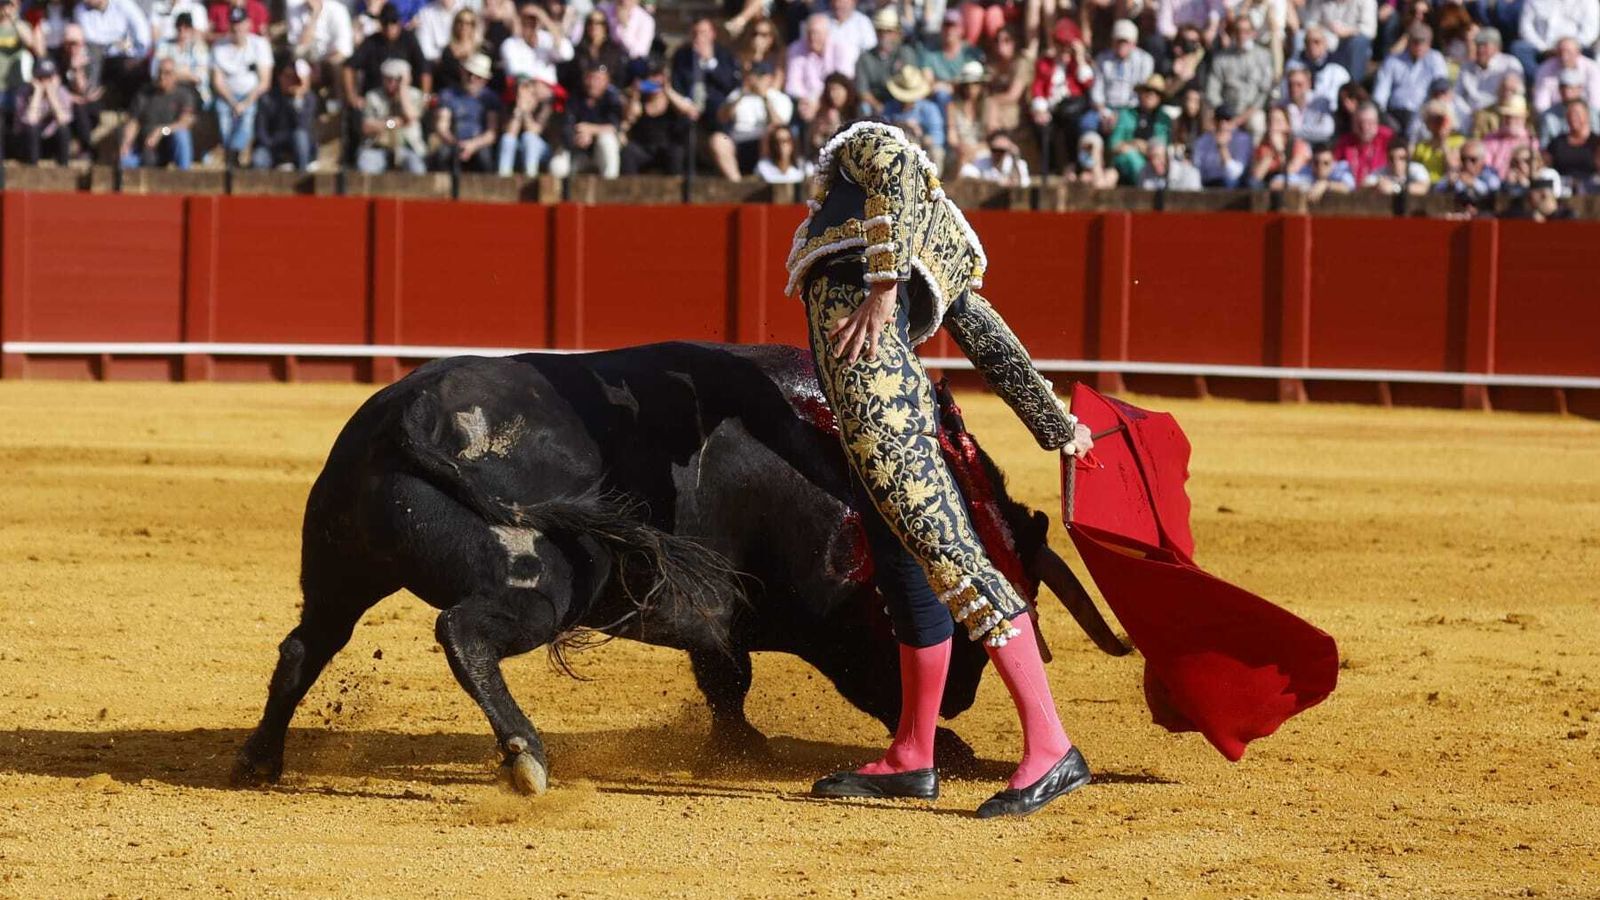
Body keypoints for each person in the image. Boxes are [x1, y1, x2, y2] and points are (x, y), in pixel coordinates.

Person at [789, 121, 1096, 817]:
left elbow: (893, 167)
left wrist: (885, 288)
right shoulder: (938, 229)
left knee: (957, 563)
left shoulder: (866, 149)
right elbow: (982, 330)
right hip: (873, 419)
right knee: (906, 572)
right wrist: (1055, 427)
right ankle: (911, 754)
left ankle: (1051, 748)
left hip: (883, 411)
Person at [1028, 16, 1093, 174]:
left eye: (1067, 46)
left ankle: (1073, 165)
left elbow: (1088, 83)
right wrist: (1040, 109)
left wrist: (1079, 58)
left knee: (1073, 123)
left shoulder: (1078, 64)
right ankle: (1050, 168)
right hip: (1052, 109)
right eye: (1060, 45)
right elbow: (1038, 88)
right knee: (1041, 128)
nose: (1064, 50)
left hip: (1072, 109)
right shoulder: (1045, 63)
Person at [211, 5, 273, 167]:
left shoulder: (260, 44)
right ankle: (231, 153)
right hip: (227, 96)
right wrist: (234, 102)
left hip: (251, 95)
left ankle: (234, 152)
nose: (237, 28)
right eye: (233, 23)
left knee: (248, 117)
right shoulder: (219, 46)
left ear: (248, 24)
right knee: (222, 112)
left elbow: (265, 82)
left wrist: (245, 103)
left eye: (240, 23)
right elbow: (217, 81)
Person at [710, 59, 792, 179]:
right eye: (754, 75)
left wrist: (765, 98)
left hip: (766, 145)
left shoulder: (779, 98)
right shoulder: (737, 94)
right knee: (718, 140)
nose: (756, 80)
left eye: (760, 76)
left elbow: (780, 126)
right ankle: (736, 184)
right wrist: (742, 94)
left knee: (773, 133)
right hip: (739, 143)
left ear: (769, 78)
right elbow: (722, 118)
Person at [1372, 22, 1447, 138]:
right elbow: (1380, 93)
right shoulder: (1392, 60)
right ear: (1408, 42)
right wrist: (1379, 112)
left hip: (1422, 112)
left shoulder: (1435, 58)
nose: (1419, 46)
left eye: (1423, 42)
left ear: (1429, 43)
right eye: (1415, 41)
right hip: (1394, 112)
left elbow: (1440, 86)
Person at [1205, 16, 1274, 139]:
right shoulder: (1221, 58)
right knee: (1207, 117)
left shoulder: (1264, 56)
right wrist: (1222, 113)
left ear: (1254, 33)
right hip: (1226, 110)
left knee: (1257, 123)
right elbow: (1212, 90)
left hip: (1251, 111)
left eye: (1246, 31)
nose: (1242, 35)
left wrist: (1239, 120)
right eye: (1238, 31)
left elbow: (1264, 93)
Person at [119, 56, 194, 168]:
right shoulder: (144, 94)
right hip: (147, 149)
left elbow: (185, 123)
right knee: (123, 161)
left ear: (175, 76)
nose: (162, 77)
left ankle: (184, 174)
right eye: (159, 72)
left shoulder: (184, 95)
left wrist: (162, 131)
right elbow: (133, 121)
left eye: (167, 73)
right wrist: (126, 143)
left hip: (169, 147)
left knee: (182, 134)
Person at [433, 51, 501, 171]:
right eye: (469, 74)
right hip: (453, 142)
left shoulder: (490, 99)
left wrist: (472, 145)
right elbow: (442, 127)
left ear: (485, 80)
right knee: (442, 155)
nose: (472, 79)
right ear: (463, 72)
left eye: (478, 76)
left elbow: (491, 133)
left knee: (485, 158)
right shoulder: (448, 95)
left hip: (479, 144)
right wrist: (456, 143)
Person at [357, 56, 426, 174]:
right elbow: (366, 127)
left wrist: (403, 89)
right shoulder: (373, 96)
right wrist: (392, 123)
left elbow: (410, 117)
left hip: (409, 147)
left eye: (397, 79)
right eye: (388, 79)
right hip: (378, 147)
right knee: (365, 167)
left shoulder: (415, 95)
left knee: (418, 170)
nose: (392, 83)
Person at [1090, 19, 1154, 134]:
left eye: (1125, 42)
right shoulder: (1102, 59)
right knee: (1087, 123)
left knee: (1124, 125)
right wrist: (1105, 112)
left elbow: (1141, 92)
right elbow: (1097, 91)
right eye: (1118, 42)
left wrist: (1121, 114)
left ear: (1134, 43)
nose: (1121, 46)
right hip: (1106, 108)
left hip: (1132, 109)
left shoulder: (1145, 60)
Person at [253, 59, 317, 170]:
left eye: (295, 78)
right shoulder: (267, 98)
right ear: (280, 76)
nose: (291, 81)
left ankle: (302, 175)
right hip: (272, 146)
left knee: (300, 136)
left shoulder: (308, 99)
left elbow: (303, 126)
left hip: (296, 148)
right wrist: (273, 146)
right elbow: (260, 130)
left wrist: (297, 101)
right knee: (259, 158)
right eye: (288, 76)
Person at [1511, 0, 1599, 81]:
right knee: (1519, 48)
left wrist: (1567, 47)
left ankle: (1573, 82)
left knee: (1591, 53)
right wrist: (1544, 49)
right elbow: (1525, 28)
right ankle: (1542, 80)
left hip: (1574, 48)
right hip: (1541, 49)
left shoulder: (1588, 2)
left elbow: (1590, 32)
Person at [561, 62, 622, 178]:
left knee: (607, 139)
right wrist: (577, 138)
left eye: (599, 79)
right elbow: (567, 127)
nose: (593, 83)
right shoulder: (575, 97)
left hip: (599, 152)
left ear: (607, 82)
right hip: (578, 151)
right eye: (591, 78)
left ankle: (610, 186)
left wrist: (591, 130)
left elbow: (615, 126)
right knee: (557, 166)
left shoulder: (611, 99)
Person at [620, 71, 688, 174]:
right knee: (628, 152)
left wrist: (667, 90)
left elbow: (690, 112)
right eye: (650, 79)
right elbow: (630, 116)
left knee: (676, 152)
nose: (653, 83)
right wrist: (635, 95)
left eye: (658, 79)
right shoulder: (640, 103)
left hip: (666, 148)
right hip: (643, 149)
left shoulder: (673, 103)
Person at [787, 13, 849, 126]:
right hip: (806, 102)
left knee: (832, 112)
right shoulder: (795, 49)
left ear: (827, 34)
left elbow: (842, 79)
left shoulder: (840, 47)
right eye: (809, 33)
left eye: (816, 33)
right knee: (797, 111)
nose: (812, 37)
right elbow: (793, 85)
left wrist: (819, 101)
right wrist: (807, 101)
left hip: (833, 99)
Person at [1108, 73, 1170, 183]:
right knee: (1130, 157)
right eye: (1147, 90)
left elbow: (1163, 148)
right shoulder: (1126, 114)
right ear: (1140, 93)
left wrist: (1146, 148)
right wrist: (1134, 144)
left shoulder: (1164, 120)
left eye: (1156, 93)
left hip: (1154, 162)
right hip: (1127, 163)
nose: (1150, 94)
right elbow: (1113, 144)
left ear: (1160, 98)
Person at [856, 6, 915, 117]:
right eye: (880, 30)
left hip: (901, 101)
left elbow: (912, 84)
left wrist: (905, 103)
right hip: (875, 103)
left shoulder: (906, 53)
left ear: (897, 33)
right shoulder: (865, 58)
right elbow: (862, 91)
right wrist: (877, 105)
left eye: (889, 31)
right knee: (864, 107)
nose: (884, 35)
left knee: (921, 107)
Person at [14, 56, 73, 164]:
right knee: (32, 130)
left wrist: (52, 96)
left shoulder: (62, 92)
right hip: (28, 142)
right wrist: (37, 93)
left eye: (49, 78)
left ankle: (64, 167)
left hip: (50, 140)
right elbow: (31, 121)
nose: (45, 82)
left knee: (64, 130)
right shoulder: (23, 92)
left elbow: (64, 120)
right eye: (41, 78)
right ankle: (32, 167)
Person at [1457, 28, 1519, 129]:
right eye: (1478, 45)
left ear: (1497, 47)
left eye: (1485, 45)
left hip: (1500, 115)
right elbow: (1457, 96)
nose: (1480, 49)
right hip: (1471, 117)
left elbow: (1516, 92)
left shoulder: (1509, 63)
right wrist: (1468, 115)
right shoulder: (1466, 68)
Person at [1302, 0, 1375, 82]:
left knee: (1359, 42)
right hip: (1325, 39)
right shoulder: (1319, 2)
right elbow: (1310, 22)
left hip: (1351, 42)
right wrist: (1318, 36)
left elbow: (1369, 30)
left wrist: (1347, 32)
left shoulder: (1366, 2)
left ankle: (1353, 85)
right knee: (1302, 37)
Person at [286, 0, 355, 87]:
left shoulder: (338, 10)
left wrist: (323, 65)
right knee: (298, 67)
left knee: (339, 67)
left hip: (329, 61)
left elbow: (343, 50)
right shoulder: (295, 8)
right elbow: (299, 46)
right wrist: (314, 15)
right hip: (305, 60)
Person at [150, 11, 209, 106]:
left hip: (193, 92)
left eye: (186, 28)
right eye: (179, 27)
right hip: (166, 90)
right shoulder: (164, 45)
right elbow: (154, 73)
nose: (182, 31)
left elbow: (200, 78)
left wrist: (171, 73)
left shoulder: (198, 48)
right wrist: (185, 73)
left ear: (192, 29)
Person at [499, 75, 556, 175]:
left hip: (542, 151)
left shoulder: (544, 106)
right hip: (519, 150)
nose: (524, 92)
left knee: (528, 137)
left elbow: (535, 131)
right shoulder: (510, 105)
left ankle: (530, 176)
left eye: (526, 87)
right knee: (507, 139)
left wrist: (525, 113)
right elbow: (510, 132)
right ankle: (504, 176)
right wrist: (518, 110)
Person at [1332, 99, 1391, 185]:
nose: (1365, 127)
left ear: (1377, 122)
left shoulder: (1388, 138)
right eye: (1360, 123)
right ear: (1353, 124)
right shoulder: (1344, 142)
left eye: (1370, 123)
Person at [1249, 104, 1309, 188]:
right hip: (1269, 183)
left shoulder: (1298, 145)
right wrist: (1270, 154)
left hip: (1293, 184)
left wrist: (1279, 150)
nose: (1273, 125)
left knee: (1280, 180)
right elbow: (1256, 176)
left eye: (1278, 121)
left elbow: (1290, 171)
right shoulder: (1263, 146)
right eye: (1270, 121)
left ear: (1287, 126)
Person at [1545, 98, 1598, 191]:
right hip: (1561, 189)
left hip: (1592, 190)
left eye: (1577, 113)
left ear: (1587, 115)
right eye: (1569, 114)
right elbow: (1546, 165)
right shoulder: (1556, 143)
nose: (1573, 117)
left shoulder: (1597, 142)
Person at [1434, 136, 1501, 211]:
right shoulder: (1457, 173)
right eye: (1463, 159)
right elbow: (1437, 189)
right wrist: (1449, 184)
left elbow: (1494, 192)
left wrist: (1474, 183)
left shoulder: (1489, 174)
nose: (1467, 164)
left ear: (1483, 160)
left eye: (1473, 160)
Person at [1281, 61, 1336, 144]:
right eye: (1290, 85)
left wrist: (1295, 131)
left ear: (1309, 84)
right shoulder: (1283, 105)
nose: (1294, 89)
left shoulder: (1320, 101)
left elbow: (1327, 130)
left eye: (1299, 85)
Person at [958, 127, 1030, 185]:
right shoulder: (982, 161)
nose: (998, 153)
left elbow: (1023, 183)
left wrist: (1015, 158)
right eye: (995, 150)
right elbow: (966, 172)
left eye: (1002, 151)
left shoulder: (1018, 164)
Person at [1286, 141, 1356, 199]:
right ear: (1311, 162)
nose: (1320, 167)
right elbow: (1278, 183)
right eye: (1316, 163)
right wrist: (1305, 187)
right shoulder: (1305, 169)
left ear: (1333, 162)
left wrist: (1326, 185)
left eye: (1326, 163)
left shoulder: (1340, 169)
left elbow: (1351, 187)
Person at [1501, 167, 1575, 219]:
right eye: (1538, 191)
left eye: (1547, 192)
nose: (1544, 196)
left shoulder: (1566, 216)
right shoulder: (1516, 214)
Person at [1364, 134, 1430, 194]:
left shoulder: (1416, 168)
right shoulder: (1381, 171)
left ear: (1407, 159)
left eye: (1401, 158)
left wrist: (1395, 188)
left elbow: (1424, 187)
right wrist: (1377, 186)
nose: (1396, 162)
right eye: (1391, 158)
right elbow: (1364, 186)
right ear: (1387, 159)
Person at [1135, 137, 1203, 189]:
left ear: (1168, 156)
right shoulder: (1144, 173)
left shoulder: (1190, 174)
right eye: (1150, 158)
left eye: (1158, 157)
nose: (1154, 162)